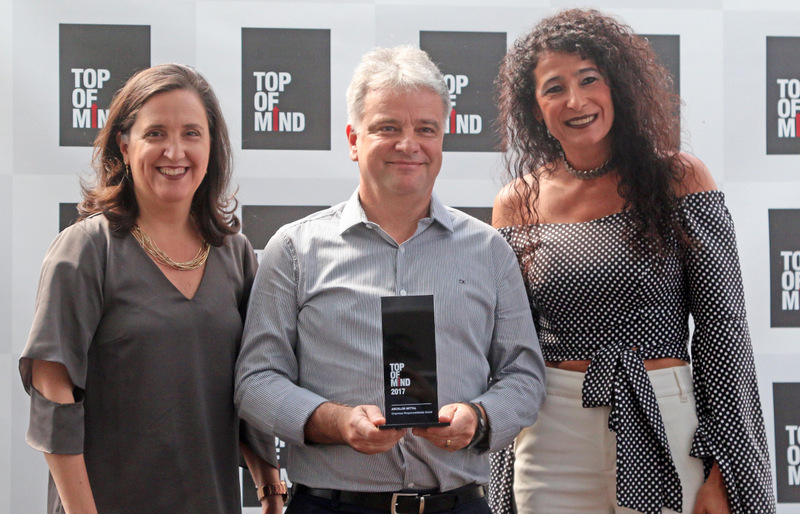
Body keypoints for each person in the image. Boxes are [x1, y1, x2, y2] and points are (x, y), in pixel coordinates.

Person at [235, 45, 546, 514]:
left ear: (443, 138)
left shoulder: (489, 251)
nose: (409, 144)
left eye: (426, 129)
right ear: (353, 139)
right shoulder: (295, 249)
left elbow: (524, 377)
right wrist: (335, 422)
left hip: (456, 504)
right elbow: (255, 381)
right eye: (388, 128)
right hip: (330, 505)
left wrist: (479, 419)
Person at [492, 9, 775, 514]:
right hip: (551, 436)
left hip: (666, 421)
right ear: (535, 109)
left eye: (589, 79)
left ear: (615, 86)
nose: (575, 101)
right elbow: (510, 347)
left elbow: (722, 331)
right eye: (554, 88)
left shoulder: (678, 179)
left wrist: (726, 465)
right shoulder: (517, 202)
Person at [19, 63, 283, 514]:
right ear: (125, 145)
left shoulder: (235, 254)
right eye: (155, 133)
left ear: (211, 146)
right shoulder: (86, 249)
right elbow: (53, 394)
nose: (174, 151)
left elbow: (250, 384)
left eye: (192, 133)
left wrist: (270, 487)